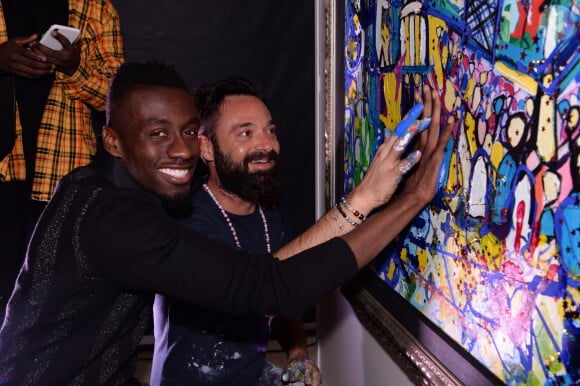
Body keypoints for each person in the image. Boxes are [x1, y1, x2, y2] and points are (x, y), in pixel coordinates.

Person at [0, 61, 452, 385]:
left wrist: (296, 354)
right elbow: (269, 286)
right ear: (113, 141)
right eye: (158, 134)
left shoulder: (94, 186)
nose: (181, 150)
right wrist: (401, 197)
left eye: (187, 131)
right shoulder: (128, 220)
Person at [151, 77, 322, 386]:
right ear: (206, 147)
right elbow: (255, 285)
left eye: (270, 131)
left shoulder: (271, 214)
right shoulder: (185, 219)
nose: (266, 145)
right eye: (246, 133)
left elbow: (282, 295)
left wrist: (298, 354)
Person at [0, 0, 124, 321]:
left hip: (61, 178)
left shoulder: (95, 7)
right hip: (4, 170)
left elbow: (119, 96)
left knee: (53, 307)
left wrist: (74, 68)